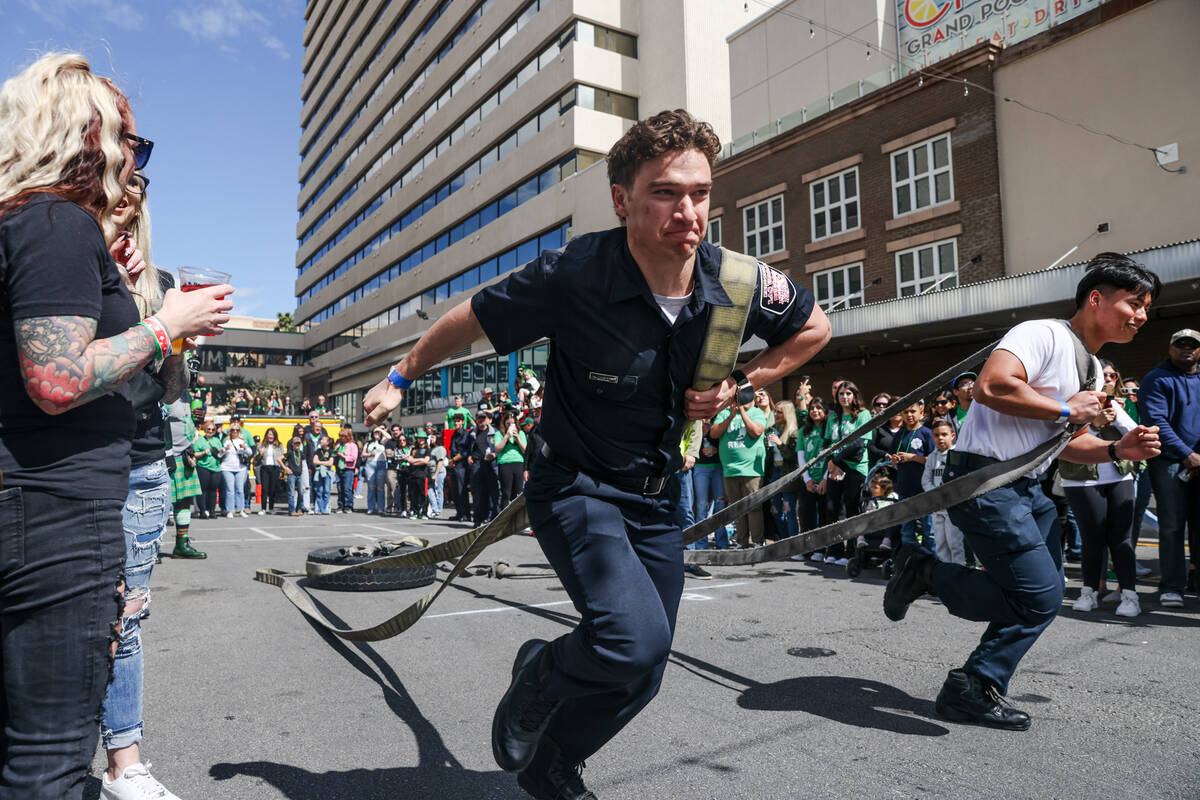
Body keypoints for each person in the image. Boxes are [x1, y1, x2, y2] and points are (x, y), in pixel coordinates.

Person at [362, 108, 830, 798]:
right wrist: (400, 378)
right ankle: (540, 677)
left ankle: (555, 764)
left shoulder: (737, 282)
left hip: (657, 495)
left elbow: (815, 327)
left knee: (646, 664)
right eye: (666, 192)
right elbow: (472, 317)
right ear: (623, 200)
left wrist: (738, 383)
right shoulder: (575, 273)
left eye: (699, 193)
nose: (688, 211)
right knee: (629, 640)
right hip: (576, 484)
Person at [0, 52, 230, 796]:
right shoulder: (54, 221)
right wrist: (167, 325)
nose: (136, 158)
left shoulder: (31, 223)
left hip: (35, 497)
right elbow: (57, 379)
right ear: (85, 133)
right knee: (49, 763)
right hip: (57, 510)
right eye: (130, 139)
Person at [883, 252, 1162, 731]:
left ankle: (972, 687)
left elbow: (1070, 443)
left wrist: (1120, 450)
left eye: (1147, 308)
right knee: (1038, 596)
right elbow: (992, 385)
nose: (1140, 316)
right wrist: (1062, 409)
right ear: (1096, 299)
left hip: (1030, 488)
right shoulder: (1043, 333)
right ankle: (926, 574)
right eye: (1133, 303)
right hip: (986, 481)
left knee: (1043, 597)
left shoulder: (1093, 371)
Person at [1061, 365, 1142, 617]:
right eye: (1102, 375)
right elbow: (1058, 438)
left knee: (1121, 537)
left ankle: (1130, 595)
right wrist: (1093, 426)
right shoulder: (1069, 402)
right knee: (1092, 538)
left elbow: (1134, 432)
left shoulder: (1117, 405)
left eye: (1111, 375)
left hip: (1119, 476)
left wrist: (1114, 415)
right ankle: (1089, 592)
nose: (1107, 379)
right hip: (1081, 479)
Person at [1139, 327, 1200, 605]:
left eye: (1193, 344)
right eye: (1181, 344)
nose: (1187, 348)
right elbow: (1156, 421)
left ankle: (1195, 581)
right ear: (1170, 348)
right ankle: (1172, 586)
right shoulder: (1156, 378)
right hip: (1169, 463)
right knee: (1172, 525)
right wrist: (1187, 453)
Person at [822, 380, 871, 565]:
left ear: (855, 395)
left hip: (855, 468)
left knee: (852, 509)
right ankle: (834, 549)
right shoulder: (833, 416)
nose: (844, 397)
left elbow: (859, 444)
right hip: (835, 467)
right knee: (831, 509)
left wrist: (836, 461)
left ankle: (850, 552)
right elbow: (827, 442)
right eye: (841, 394)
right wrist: (830, 463)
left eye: (848, 393)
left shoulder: (863, 414)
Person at [710, 394, 767, 548]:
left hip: (752, 470)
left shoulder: (757, 413)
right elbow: (714, 433)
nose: (742, 401)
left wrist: (742, 412)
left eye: (746, 398)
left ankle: (757, 542)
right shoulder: (724, 413)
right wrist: (730, 416)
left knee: (753, 507)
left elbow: (756, 431)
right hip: (730, 469)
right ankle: (742, 542)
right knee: (737, 508)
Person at [888, 400, 934, 549]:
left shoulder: (927, 433)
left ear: (921, 412)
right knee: (907, 532)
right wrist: (895, 460)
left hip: (925, 490)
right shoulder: (899, 435)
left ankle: (933, 566)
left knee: (930, 532)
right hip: (904, 489)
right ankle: (910, 564)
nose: (909, 415)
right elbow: (894, 459)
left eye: (913, 411)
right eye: (906, 412)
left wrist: (912, 458)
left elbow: (934, 460)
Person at [166, 397, 208, 559]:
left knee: (184, 501)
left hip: (184, 455)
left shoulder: (186, 396)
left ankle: (181, 544)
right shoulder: (163, 394)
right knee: (159, 504)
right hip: (164, 456)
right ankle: (152, 548)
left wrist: (196, 418)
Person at [921, 418, 964, 564]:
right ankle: (945, 575)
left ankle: (958, 573)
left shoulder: (957, 455)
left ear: (952, 436)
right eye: (936, 435)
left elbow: (961, 480)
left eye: (944, 434)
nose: (940, 438)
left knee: (955, 544)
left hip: (953, 507)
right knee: (940, 544)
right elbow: (926, 480)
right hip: (937, 506)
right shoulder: (932, 457)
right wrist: (935, 495)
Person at [691, 418, 728, 549]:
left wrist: (716, 450)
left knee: (720, 504)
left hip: (718, 466)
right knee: (701, 506)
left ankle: (722, 543)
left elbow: (726, 442)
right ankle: (701, 544)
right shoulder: (693, 421)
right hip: (700, 467)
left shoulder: (719, 420)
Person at [767, 400, 800, 539]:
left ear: (787, 413)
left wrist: (779, 443)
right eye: (775, 411)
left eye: (779, 412)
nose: (775, 414)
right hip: (775, 472)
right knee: (775, 509)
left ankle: (792, 543)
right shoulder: (774, 429)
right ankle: (783, 540)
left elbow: (791, 457)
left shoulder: (794, 433)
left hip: (788, 473)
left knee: (789, 510)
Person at [857, 473, 899, 552]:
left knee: (889, 520)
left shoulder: (893, 497)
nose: (872, 489)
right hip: (874, 523)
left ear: (884, 489)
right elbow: (868, 509)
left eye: (875, 488)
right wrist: (869, 512)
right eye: (872, 487)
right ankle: (861, 538)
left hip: (887, 524)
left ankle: (887, 541)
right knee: (862, 518)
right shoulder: (873, 499)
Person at [469, 411, 499, 523]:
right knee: (477, 492)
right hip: (476, 464)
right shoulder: (472, 433)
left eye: (483, 418)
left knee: (493, 491)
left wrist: (495, 454)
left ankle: (492, 517)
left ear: (487, 419)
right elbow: (467, 449)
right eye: (479, 419)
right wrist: (469, 456)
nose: (481, 421)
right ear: (476, 420)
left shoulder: (495, 432)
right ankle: (478, 518)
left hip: (490, 464)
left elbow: (501, 448)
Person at [495, 410, 528, 510]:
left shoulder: (521, 433)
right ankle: (504, 519)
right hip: (505, 463)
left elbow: (525, 450)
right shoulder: (499, 434)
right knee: (506, 493)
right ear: (504, 424)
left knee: (518, 493)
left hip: (518, 463)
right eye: (508, 423)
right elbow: (497, 449)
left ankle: (517, 519)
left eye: (512, 423)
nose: (510, 425)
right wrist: (507, 436)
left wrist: (517, 438)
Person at [220, 420, 252, 518]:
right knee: (230, 490)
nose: (235, 432)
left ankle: (241, 509)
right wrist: (224, 449)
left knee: (240, 489)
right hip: (227, 467)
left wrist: (244, 448)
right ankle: (230, 510)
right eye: (233, 430)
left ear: (239, 431)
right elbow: (219, 454)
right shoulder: (226, 441)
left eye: (237, 430)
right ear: (230, 431)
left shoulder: (242, 441)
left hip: (240, 468)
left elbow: (250, 453)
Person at [195, 419, 223, 518]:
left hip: (216, 468)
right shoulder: (200, 440)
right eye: (208, 429)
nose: (210, 431)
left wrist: (223, 450)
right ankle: (203, 511)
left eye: (212, 429)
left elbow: (220, 454)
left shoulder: (217, 440)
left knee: (213, 490)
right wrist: (203, 453)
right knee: (203, 490)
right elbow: (194, 454)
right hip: (203, 467)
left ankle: (212, 510)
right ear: (205, 429)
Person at [448, 415, 474, 521]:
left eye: (458, 421)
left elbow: (465, 452)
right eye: (454, 421)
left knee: (461, 490)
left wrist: (454, 460)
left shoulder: (466, 434)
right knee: (454, 491)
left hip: (462, 465)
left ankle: (465, 514)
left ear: (463, 422)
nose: (456, 423)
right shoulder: (454, 434)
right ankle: (459, 513)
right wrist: (451, 460)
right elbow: (451, 449)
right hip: (454, 464)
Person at [867, 392, 903, 467]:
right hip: (883, 470)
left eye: (899, 408)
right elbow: (870, 447)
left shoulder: (909, 430)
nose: (896, 412)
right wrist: (884, 454)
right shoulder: (878, 428)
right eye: (892, 408)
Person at [255, 427, 285, 514]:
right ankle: (263, 508)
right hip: (264, 468)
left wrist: (281, 470)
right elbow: (256, 459)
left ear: (275, 436)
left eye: (272, 434)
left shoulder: (279, 445)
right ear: (266, 435)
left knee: (273, 489)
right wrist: (260, 455)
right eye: (269, 434)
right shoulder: (261, 445)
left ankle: (271, 508)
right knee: (264, 489)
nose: (270, 436)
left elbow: (282, 458)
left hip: (275, 468)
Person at [362, 426, 389, 514]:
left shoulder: (383, 442)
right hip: (370, 464)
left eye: (378, 433)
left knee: (380, 487)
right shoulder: (368, 443)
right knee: (371, 487)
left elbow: (389, 437)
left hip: (381, 464)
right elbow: (362, 454)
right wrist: (370, 454)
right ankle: (371, 507)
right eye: (375, 432)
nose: (376, 434)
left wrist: (380, 429)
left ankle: (381, 508)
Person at [408, 428, 431, 519]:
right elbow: (409, 460)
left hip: (423, 475)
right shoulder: (413, 449)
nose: (420, 440)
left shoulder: (428, 450)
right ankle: (415, 512)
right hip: (413, 474)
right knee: (413, 495)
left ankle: (424, 513)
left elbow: (426, 461)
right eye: (419, 438)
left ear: (425, 439)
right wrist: (420, 460)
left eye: (422, 438)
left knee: (423, 494)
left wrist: (415, 461)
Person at [334, 428, 358, 513]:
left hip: (348, 469)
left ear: (348, 436)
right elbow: (334, 453)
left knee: (347, 488)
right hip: (339, 468)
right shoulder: (339, 444)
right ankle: (341, 505)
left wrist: (343, 456)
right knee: (340, 488)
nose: (342, 438)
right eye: (341, 436)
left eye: (344, 436)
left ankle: (348, 506)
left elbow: (353, 458)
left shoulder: (352, 445)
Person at [427, 422, 448, 518]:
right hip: (431, 472)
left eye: (433, 437)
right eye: (431, 437)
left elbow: (440, 462)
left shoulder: (440, 448)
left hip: (439, 473)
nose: (431, 439)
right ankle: (435, 508)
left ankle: (438, 510)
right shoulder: (432, 449)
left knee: (438, 491)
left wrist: (436, 474)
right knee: (430, 490)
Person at [312, 435, 335, 514]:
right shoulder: (318, 451)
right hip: (319, 473)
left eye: (322, 440)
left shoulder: (331, 451)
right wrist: (325, 463)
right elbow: (315, 461)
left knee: (326, 491)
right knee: (319, 491)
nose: (321, 441)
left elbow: (330, 463)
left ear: (327, 442)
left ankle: (326, 509)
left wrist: (321, 463)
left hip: (327, 473)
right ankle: (318, 509)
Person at [283, 435, 305, 516]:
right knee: (291, 493)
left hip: (299, 475)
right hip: (292, 475)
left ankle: (299, 509)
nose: (297, 445)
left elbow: (302, 462)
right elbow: (279, 459)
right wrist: (285, 468)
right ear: (292, 444)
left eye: (298, 443)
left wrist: (302, 470)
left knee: (301, 492)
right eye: (295, 443)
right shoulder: (290, 452)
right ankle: (292, 510)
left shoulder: (301, 453)